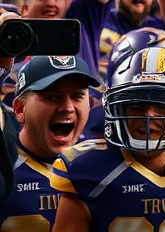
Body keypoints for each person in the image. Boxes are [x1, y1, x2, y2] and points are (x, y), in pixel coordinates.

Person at [50, 48, 165, 232]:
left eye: (163, 105)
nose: (148, 115)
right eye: (136, 105)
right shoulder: (85, 167)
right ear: (117, 109)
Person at [0, 55, 98, 228]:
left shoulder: (105, 164)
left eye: (77, 96)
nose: (68, 107)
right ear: (20, 109)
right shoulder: (5, 165)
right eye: (52, 97)